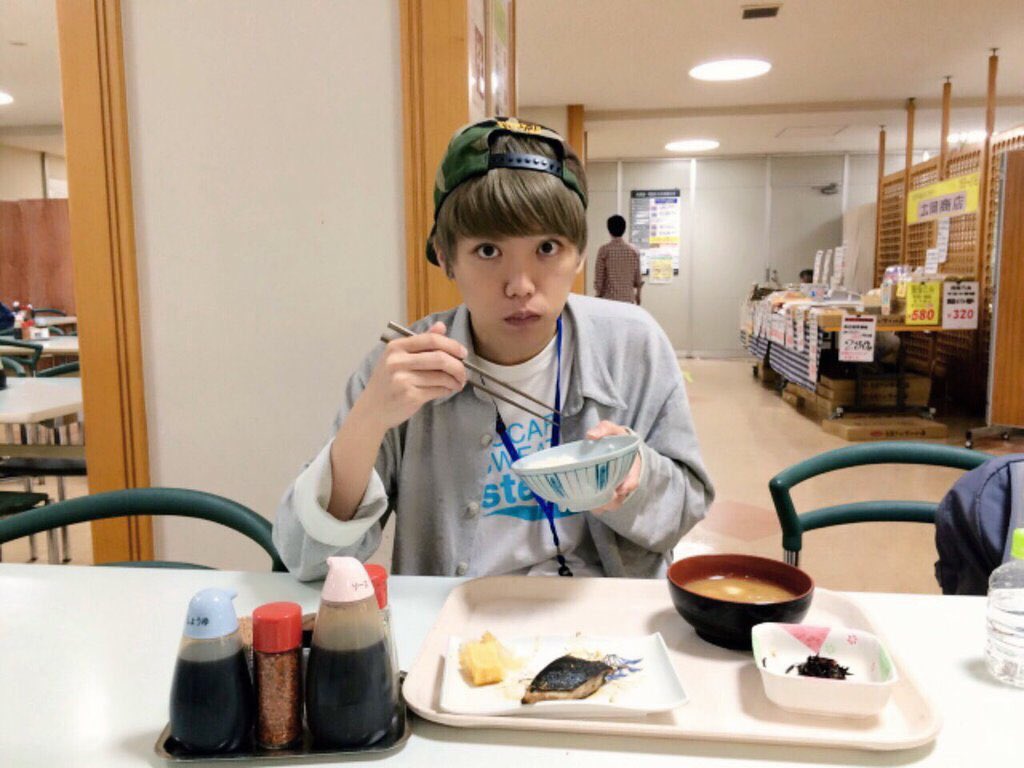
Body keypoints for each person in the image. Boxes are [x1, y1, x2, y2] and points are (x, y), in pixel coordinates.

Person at [273, 117, 712, 581]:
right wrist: (368, 420)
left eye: (547, 248)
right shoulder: (406, 367)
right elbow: (307, 560)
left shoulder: (632, 346)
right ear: (446, 257)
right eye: (487, 251)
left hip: (604, 614)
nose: (520, 286)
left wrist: (636, 476)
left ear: (581, 254)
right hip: (455, 614)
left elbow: (686, 508)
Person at [594, 215, 642, 304]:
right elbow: (638, 280)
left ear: (609, 230)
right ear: (624, 229)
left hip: (609, 300)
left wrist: (598, 295)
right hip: (628, 301)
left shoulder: (604, 250)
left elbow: (599, 280)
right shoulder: (634, 251)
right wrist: (638, 295)